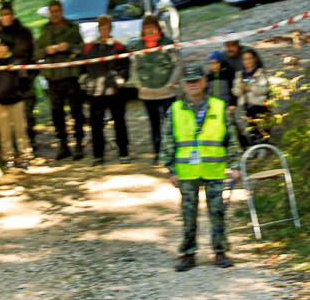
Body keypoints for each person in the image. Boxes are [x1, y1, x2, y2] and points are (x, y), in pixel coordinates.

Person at [164, 61, 237, 271]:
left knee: (217, 212)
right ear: (183, 84)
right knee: (188, 215)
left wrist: (235, 165)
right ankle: (188, 254)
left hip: (213, 169)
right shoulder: (175, 109)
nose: (192, 84)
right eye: (189, 81)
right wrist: (171, 169)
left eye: (196, 80)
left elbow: (231, 138)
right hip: (187, 172)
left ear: (204, 81)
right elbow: (167, 141)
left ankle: (220, 252)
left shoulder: (219, 107)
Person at [37, 0, 87, 159]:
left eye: (57, 11)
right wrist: (47, 50)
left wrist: (69, 47)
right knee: (57, 113)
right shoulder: (45, 30)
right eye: (52, 11)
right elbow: (36, 53)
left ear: (62, 11)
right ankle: (63, 144)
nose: (55, 14)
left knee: (76, 110)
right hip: (53, 77)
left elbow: (82, 49)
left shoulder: (72, 27)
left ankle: (79, 143)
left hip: (71, 75)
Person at [0, 7, 36, 170]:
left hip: (16, 100)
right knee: (4, 132)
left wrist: (19, 92)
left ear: (8, 48)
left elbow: (23, 79)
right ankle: (8, 157)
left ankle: (25, 156)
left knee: (21, 130)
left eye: (4, 46)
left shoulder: (16, 62)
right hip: (0, 101)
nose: (1, 49)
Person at [80, 15, 131, 163]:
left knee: (119, 122)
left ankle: (123, 153)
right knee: (96, 124)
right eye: (102, 28)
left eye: (107, 28)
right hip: (95, 92)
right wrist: (85, 82)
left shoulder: (118, 47)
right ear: (98, 29)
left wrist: (120, 79)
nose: (104, 31)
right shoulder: (89, 47)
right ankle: (98, 155)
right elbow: (82, 67)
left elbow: (126, 66)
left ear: (110, 29)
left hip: (114, 91)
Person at [131, 15, 181, 164]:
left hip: (167, 92)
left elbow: (178, 65)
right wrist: (138, 85)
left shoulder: (167, 43)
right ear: (143, 30)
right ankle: (158, 152)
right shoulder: (138, 45)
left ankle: (172, 152)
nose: (150, 31)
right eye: (146, 28)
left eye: (152, 27)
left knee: (170, 123)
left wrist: (171, 83)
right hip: (147, 94)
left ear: (158, 28)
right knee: (154, 125)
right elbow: (133, 67)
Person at [234, 47, 271, 140]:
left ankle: (264, 145)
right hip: (247, 108)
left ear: (255, 59)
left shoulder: (259, 73)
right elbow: (235, 92)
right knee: (252, 131)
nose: (247, 61)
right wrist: (240, 89)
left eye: (250, 58)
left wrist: (249, 88)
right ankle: (254, 144)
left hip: (261, 107)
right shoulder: (240, 75)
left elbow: (265, 89)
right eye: (245, 59)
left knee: (263, 131)